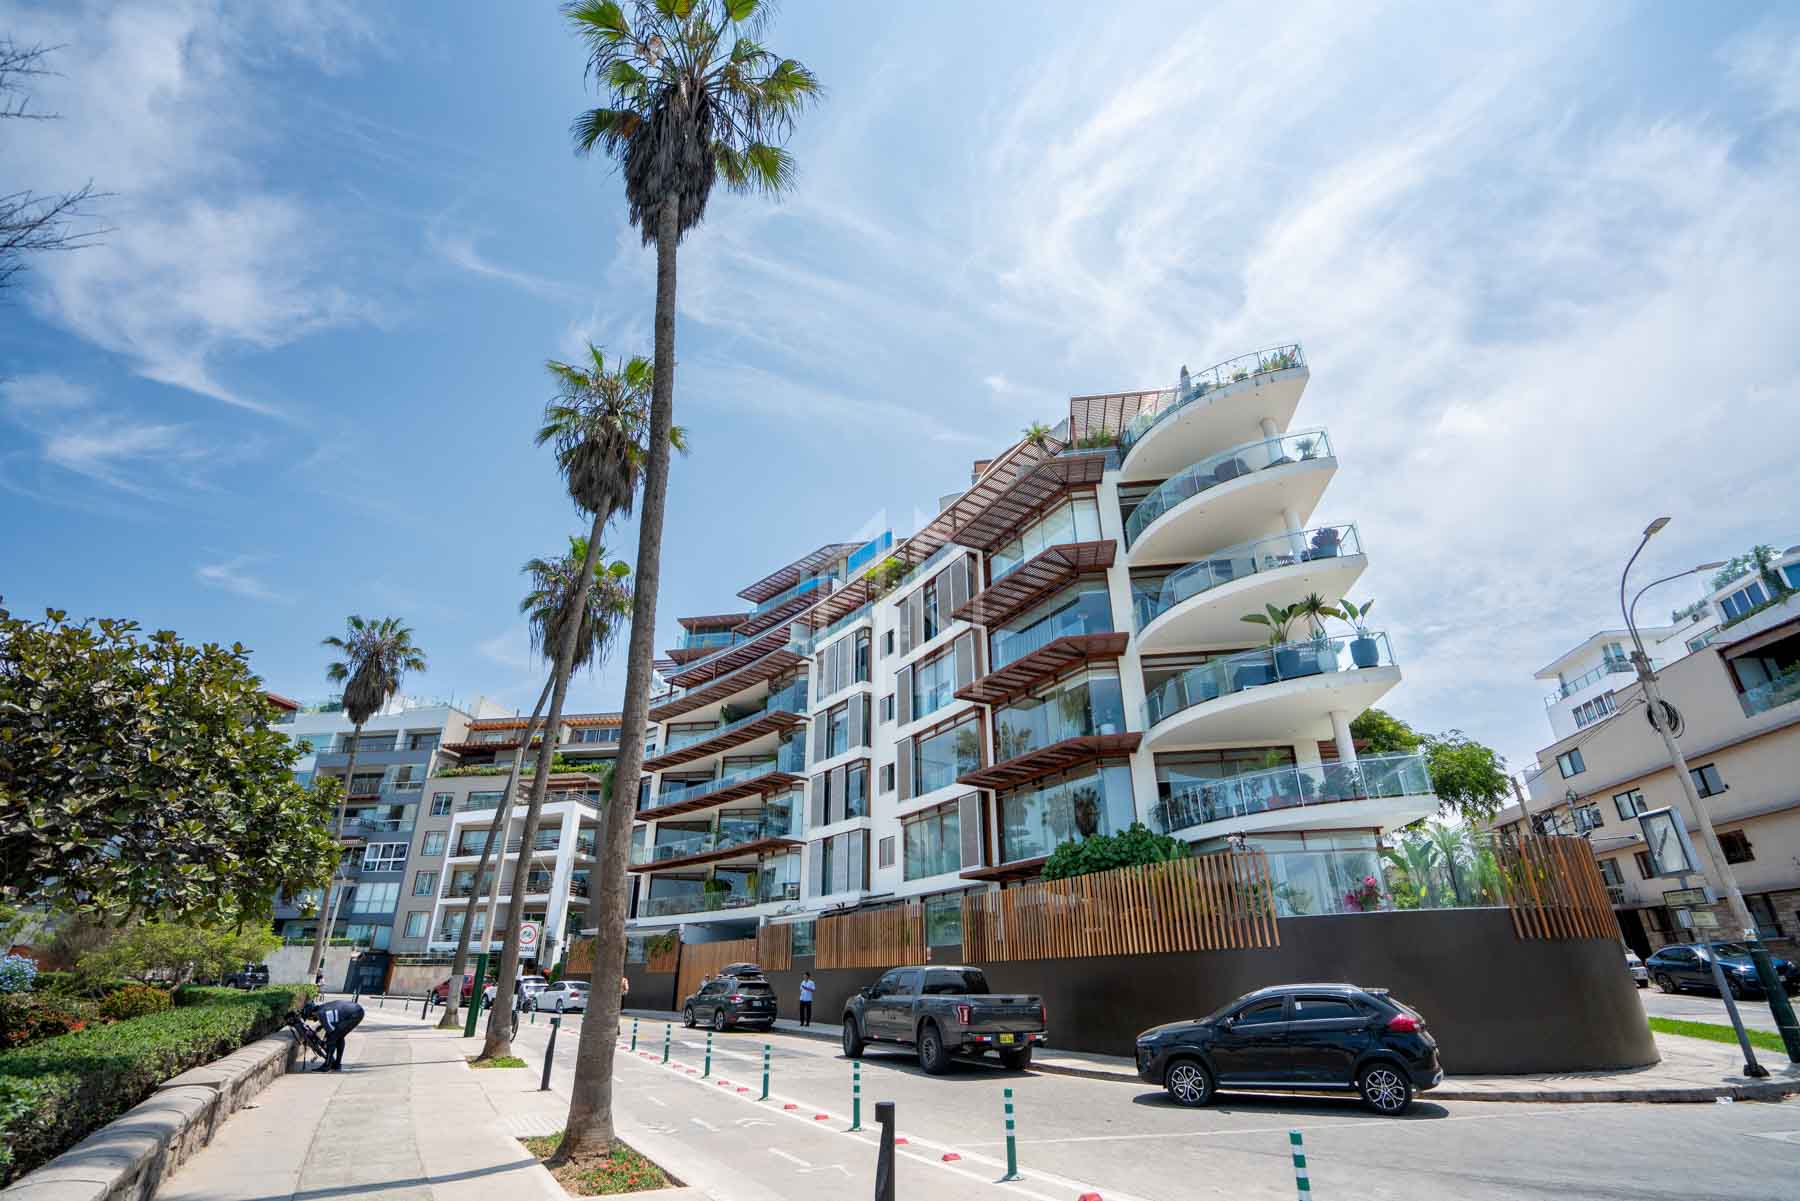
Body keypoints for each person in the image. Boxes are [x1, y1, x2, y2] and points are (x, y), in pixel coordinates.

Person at [303, 997, 364, 1071]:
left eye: (309, 1018)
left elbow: (330, 1031)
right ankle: (337, 1064)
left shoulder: (320, 1013)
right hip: (356, 1010)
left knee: (332, 1038)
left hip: (354, 1014)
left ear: (311, 1013)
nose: (311, 1020)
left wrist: (325, 1042)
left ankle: (327, 1065)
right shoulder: (322, 1008)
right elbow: (331, 1019)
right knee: (339, 1036)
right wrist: (321, 1027)